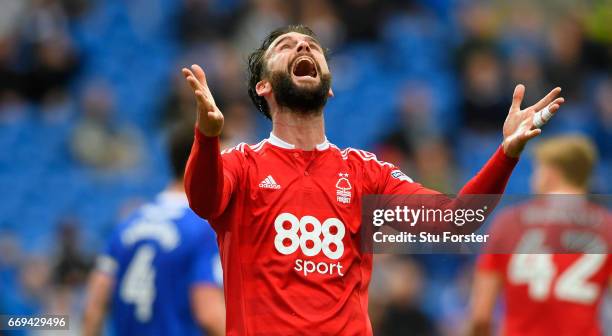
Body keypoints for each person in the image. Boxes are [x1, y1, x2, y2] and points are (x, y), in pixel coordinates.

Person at [181, 24, 565, 335]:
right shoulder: (243, 164)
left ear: (329, 87)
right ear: (263, 86)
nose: (303, 48)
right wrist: (207, 136)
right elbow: (203, 199)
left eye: (312, 46)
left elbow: (455, 219)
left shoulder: (365, 173)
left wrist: (507, 153)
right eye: (286, 45)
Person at [82, 124, 225, 336]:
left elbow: (94, 307)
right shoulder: (204, 229)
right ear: (206, 161)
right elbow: (209, 314)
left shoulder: (128, 224)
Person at [468, 135, 612, 336]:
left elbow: (480, 317)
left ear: (550, 173)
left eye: (537, 170)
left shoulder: (508, 223)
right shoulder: (606, 227)